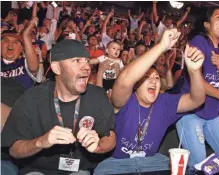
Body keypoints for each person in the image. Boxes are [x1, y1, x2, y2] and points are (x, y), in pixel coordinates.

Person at [94, 29, 206, 174]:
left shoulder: (164, 102)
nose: (153, 81)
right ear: (136, 84)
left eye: (157, 78)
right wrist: (161, 46)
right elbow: (123, 81)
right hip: (118, 164)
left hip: (153, 163)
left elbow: (196, 100)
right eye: (147, 77)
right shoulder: (125, 99)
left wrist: (195, 71)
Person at [1, 40, 116, 175]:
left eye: (87, 60)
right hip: (37, 170)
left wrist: (98, 146)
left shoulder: (97, 96)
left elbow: (111, 138)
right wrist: (41, 142)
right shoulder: (32, 98)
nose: (86, 67)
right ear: (57, 68)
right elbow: (14, 149)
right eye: (77, 60)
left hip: (79, 170)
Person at [176, 7, 219, 168]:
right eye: (218, 17)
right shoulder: (199, 41)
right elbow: (195, 81)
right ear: (207, 24)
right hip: (191, 112)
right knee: (199, 165)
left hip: (214, 114)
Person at [1, 18, 42, 89]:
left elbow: (34, 69)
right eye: (6, 41)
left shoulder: (25, 63)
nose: (10, 44)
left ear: (21, 49)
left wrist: (26, 36)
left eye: (16, 42)